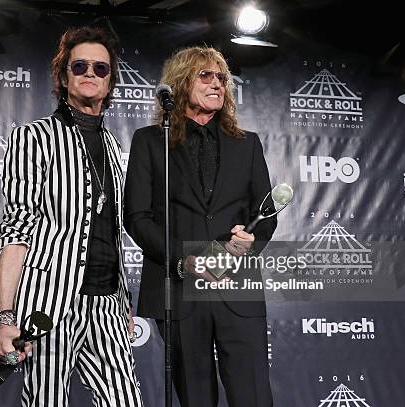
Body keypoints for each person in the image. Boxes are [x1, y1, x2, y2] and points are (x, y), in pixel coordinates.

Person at [0, 26, 143, 407]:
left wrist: (122, 301)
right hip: (50, 304)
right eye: (80, 66)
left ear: (110, 83)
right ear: (64, 76)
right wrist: (5, 318)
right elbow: (16, 229)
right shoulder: (33, 137)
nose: (90, 73)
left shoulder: (112, 145)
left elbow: (108, 230)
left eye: (101, 68)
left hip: (107, 303)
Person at [124, 46, 276, 407]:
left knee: (253, 396)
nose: (217, 83)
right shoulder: (150, 141)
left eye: (221, 77)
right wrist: (185, 259)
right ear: (179, 83)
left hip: (236, 285)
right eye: (205, 75)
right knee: (195, 398)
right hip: (178, 290)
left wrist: (250, 242)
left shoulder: (248, 144)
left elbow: (266, 212)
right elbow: (137, 216)